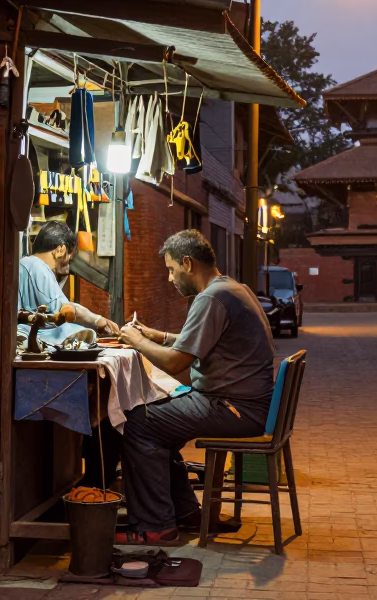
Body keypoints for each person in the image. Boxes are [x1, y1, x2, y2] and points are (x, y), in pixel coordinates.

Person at [115, 229, 276, 545]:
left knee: (137, 423)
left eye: (171, 269)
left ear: (187, 263)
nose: (170, 278)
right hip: (246, 404)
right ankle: (184, 511)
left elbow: (177, 363)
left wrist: (135, 340)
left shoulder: (211, 298)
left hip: (234, 408)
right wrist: (158, 336)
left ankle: (154, 526)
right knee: (160, 423)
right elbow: (202, 341)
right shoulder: (233, 288)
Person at [18, 220, 119, 341]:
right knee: (76, 332)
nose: (67, 269)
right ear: (61, 250)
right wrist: (97, 321)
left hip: (26, 334)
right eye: (69, 260)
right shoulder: (38, 267)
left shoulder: (26, 264)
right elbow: (63, 309)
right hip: (32, 336)